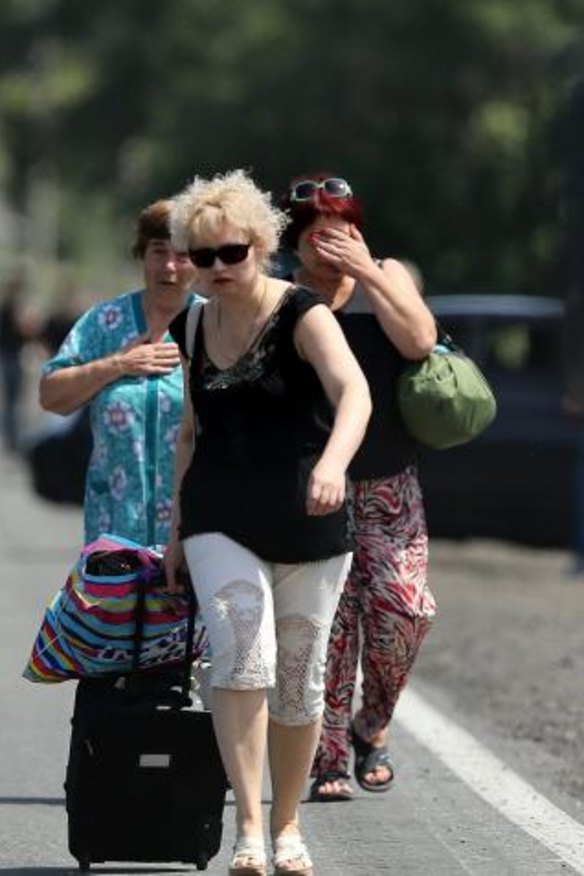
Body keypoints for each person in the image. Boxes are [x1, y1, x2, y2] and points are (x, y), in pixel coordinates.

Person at [164, 169, 371, 876]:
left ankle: (288, 826)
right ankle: (248, 827)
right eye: (203, 257)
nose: (218, 269)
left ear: (261, 244)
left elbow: (355, 395)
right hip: (221, 513)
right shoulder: (190, 322)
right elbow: (190, 434)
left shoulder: (302, 313)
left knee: (299, 678)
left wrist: (335, 465)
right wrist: (174, 530)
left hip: (308, 512)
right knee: (240, 650)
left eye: (232, 253)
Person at [279, 172, 438, 802]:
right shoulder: (285, 297)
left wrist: (367, 272)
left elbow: (420, 341)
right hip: (315, 484)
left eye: (341, 232)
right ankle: (328, 758)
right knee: (332, 626)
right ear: (296, 243)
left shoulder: (386, 278)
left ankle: (374, 720)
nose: (331, 246)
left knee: (404, 611)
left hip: (391, 485)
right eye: (318, 236)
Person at [38, 199, 198, 546]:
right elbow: (50, 395)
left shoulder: (214, 324)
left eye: (182, 255)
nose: (169, 266)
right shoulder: (105, 322)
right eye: (158, 251)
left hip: (194, 533)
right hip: (115, 529)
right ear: (141, 254)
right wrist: (117, 365)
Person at [0, 274, 33, 452]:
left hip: (9, 355)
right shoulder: (12, 307)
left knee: (13, 400)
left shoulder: (8, 306)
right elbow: (24, 329)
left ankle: (11, 437)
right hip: (11, 356)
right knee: (13, 401)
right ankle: (12, 439)